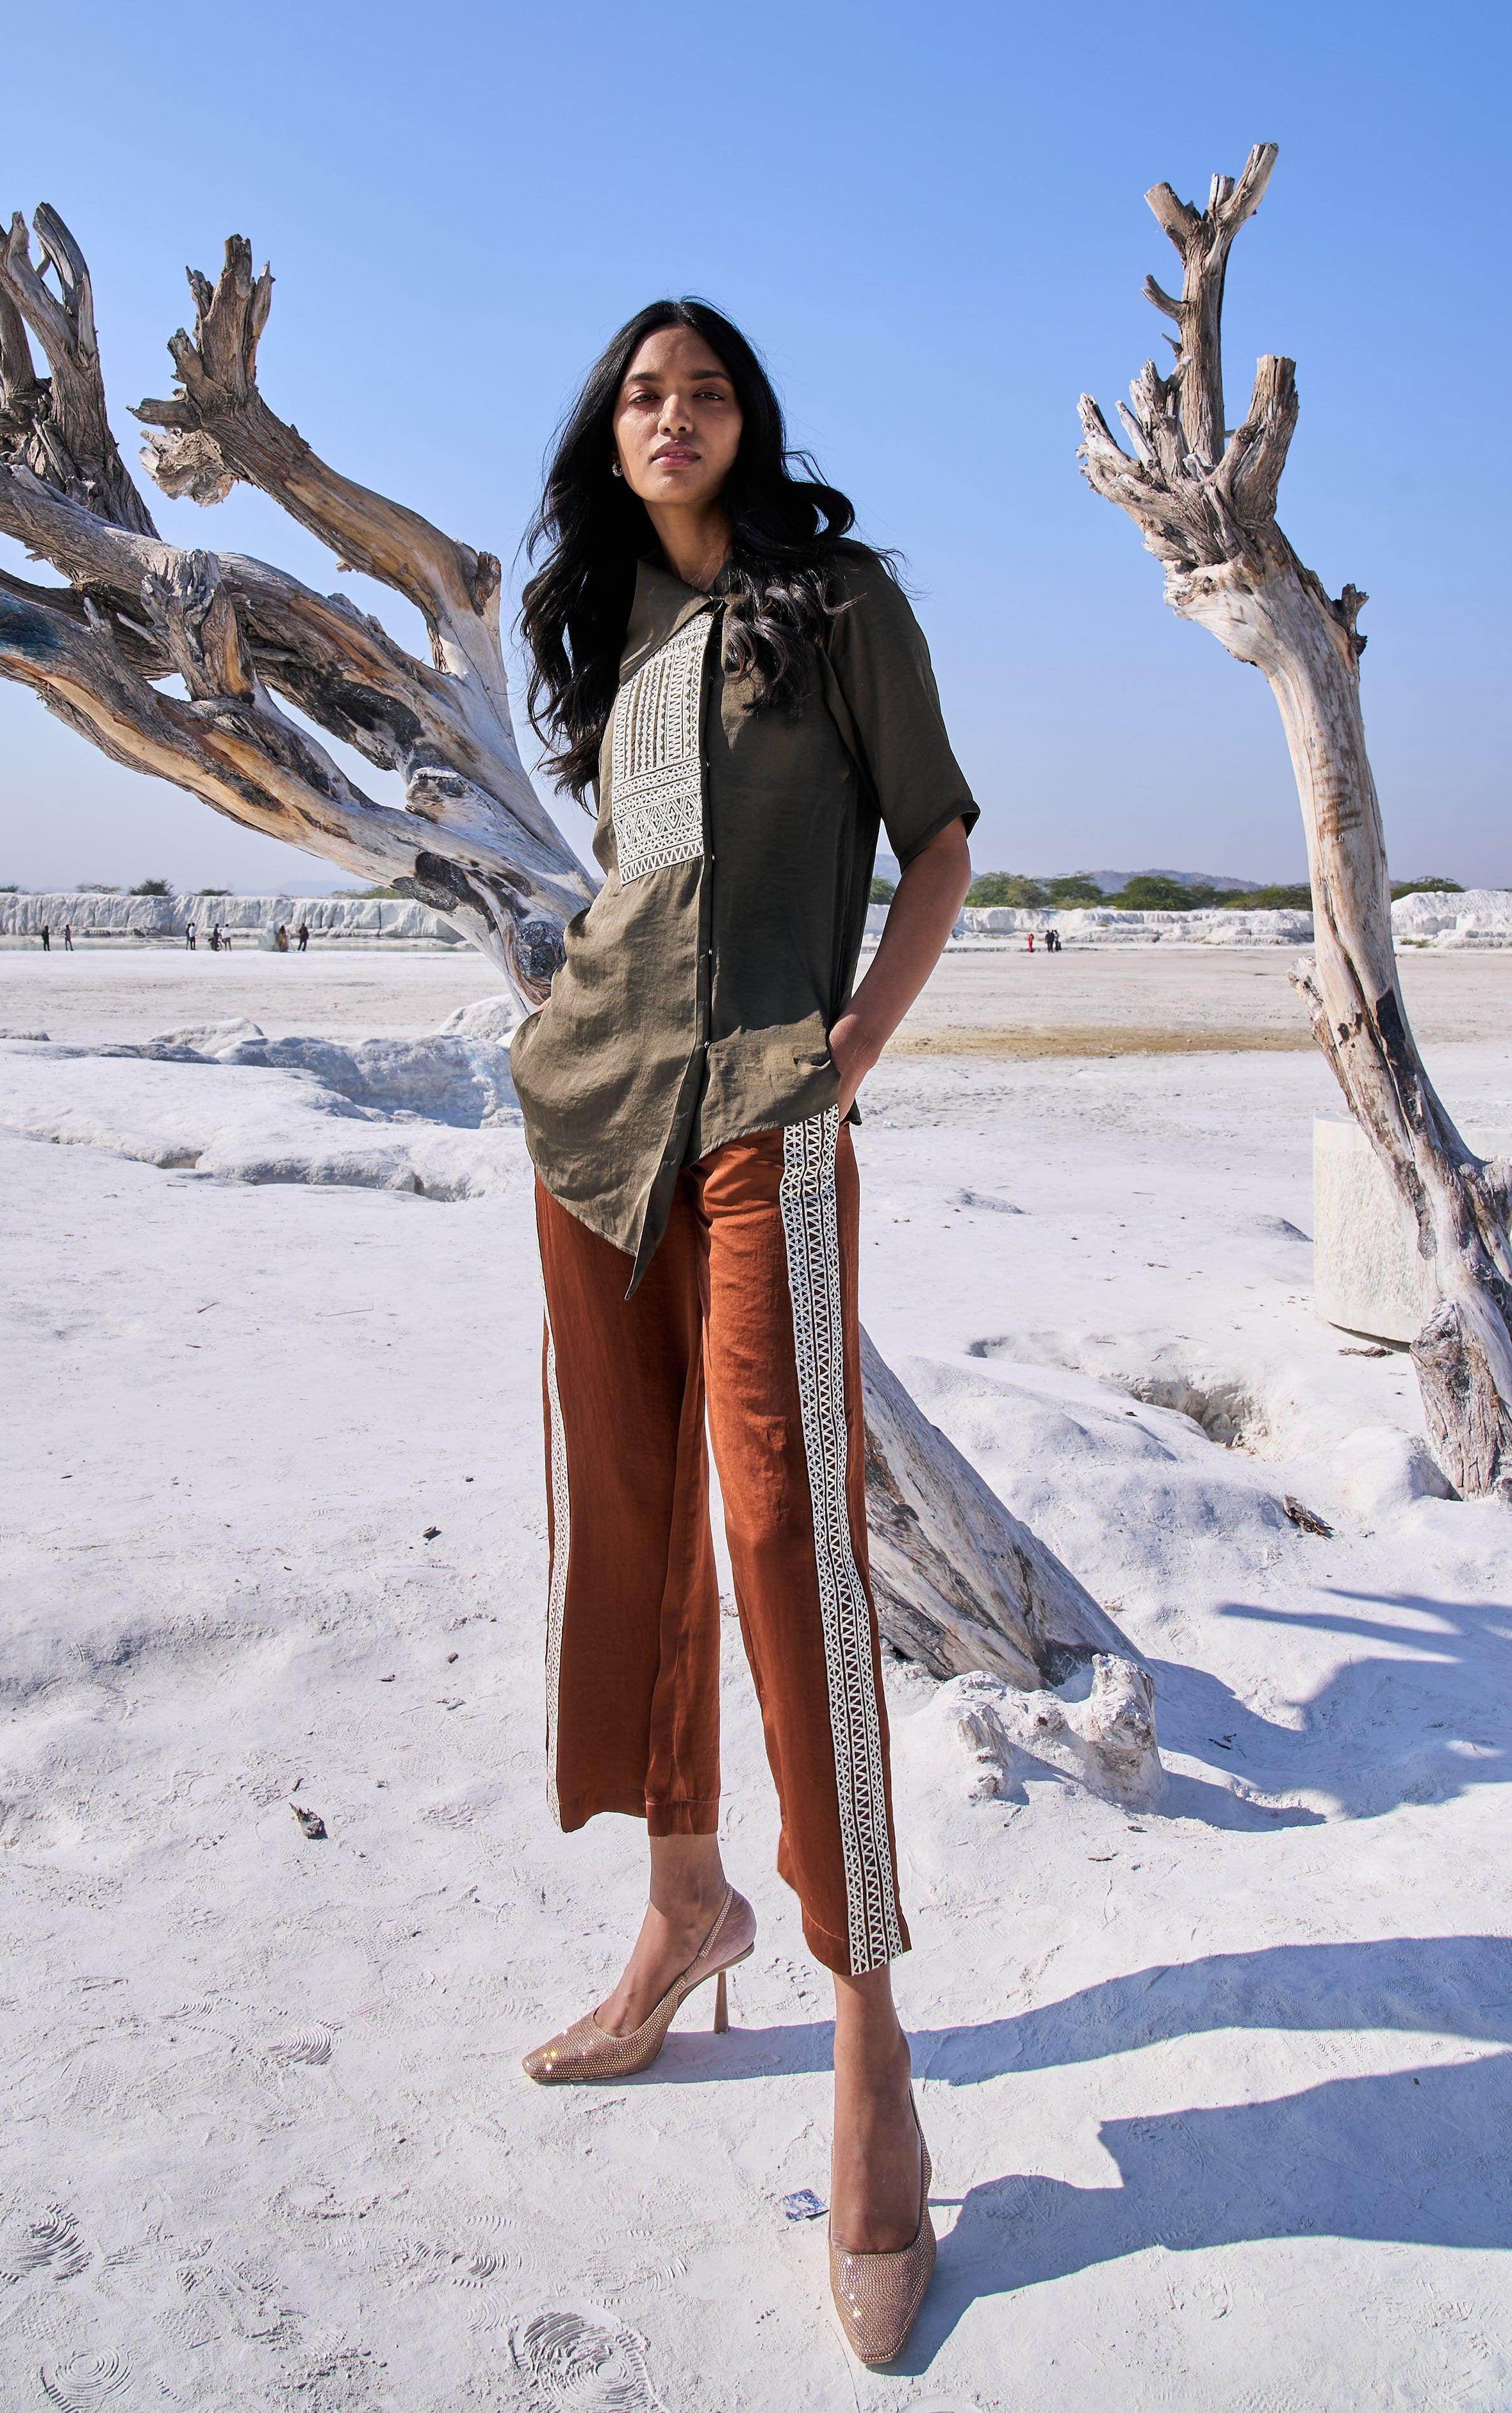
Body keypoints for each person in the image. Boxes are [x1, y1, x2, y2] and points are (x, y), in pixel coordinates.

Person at [511, 300, 975, 2368]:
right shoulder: (612, 625)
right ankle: (680, 1902)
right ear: (611, 437)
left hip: (768, 1114)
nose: (671, 414)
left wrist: (852, 1050)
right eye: (642, 394)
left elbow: (937, 837)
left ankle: (871, 2031)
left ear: (746, 421)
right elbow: (644, 886)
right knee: (628, 1522)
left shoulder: (838, 602)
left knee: (789, 1539)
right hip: (594, 1121)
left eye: (701, 390)